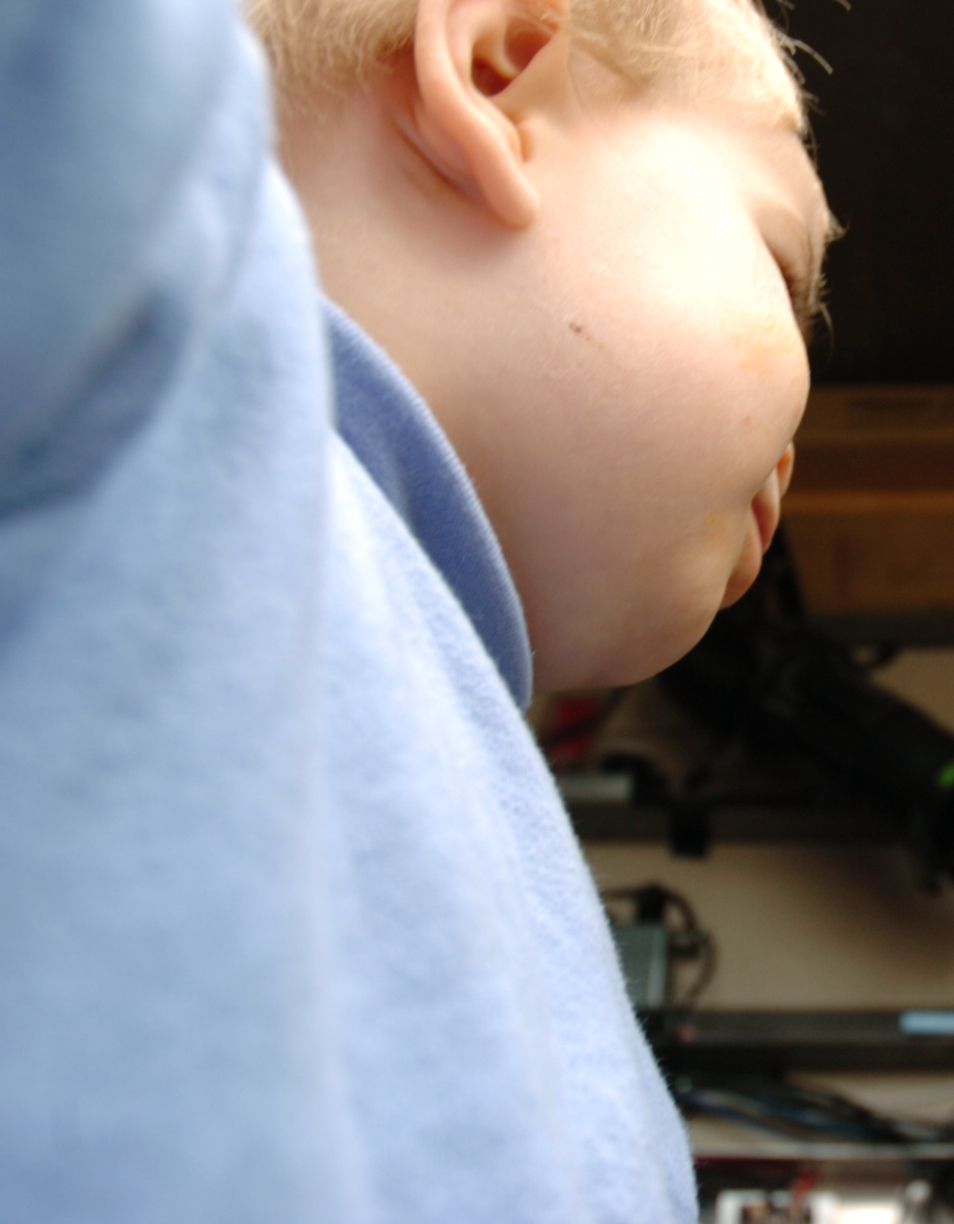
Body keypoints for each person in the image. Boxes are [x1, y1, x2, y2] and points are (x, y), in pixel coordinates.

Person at [0, 0, 830, 1219]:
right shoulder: (155, 347)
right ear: (499, 77)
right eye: (781, 261)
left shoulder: (466, 748)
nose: (798, 448)